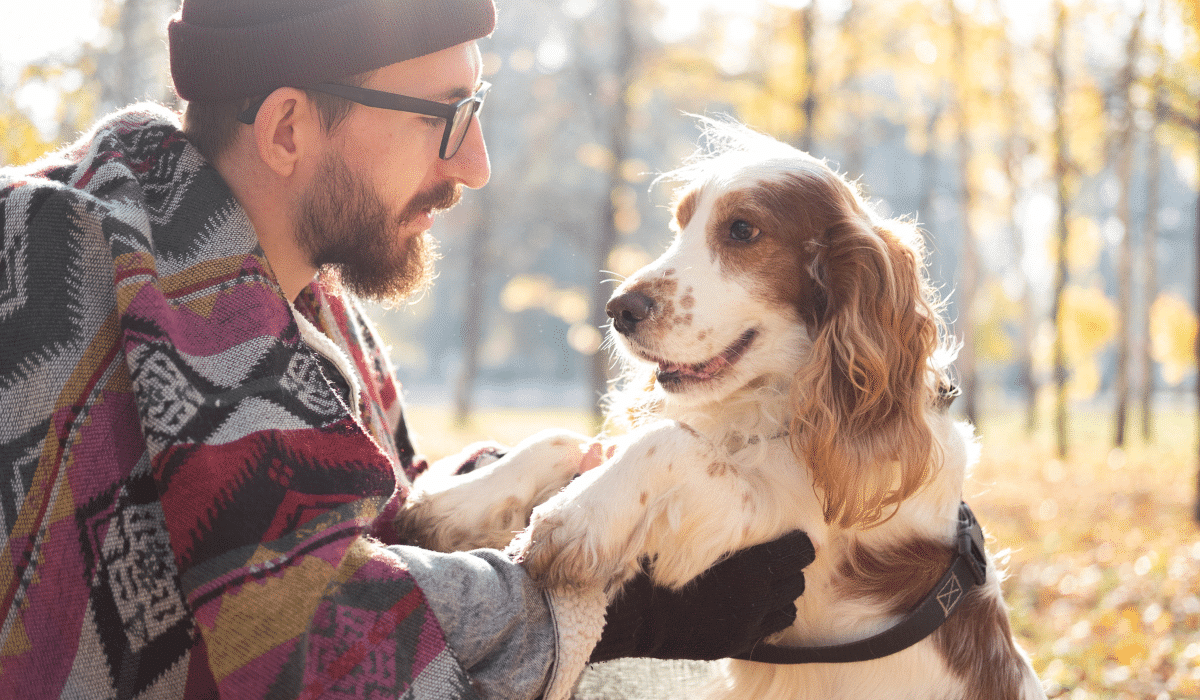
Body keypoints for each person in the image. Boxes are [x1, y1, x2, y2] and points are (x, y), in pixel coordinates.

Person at [0, 0, 815, 698]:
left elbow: (375, 531)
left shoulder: (308, 310)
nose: (476, 164)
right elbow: (294, 625)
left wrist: (550, 485)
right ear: (288, 127)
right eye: (446, 115)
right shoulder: (44, 267)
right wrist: (599, 615)